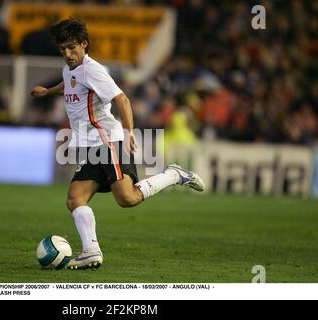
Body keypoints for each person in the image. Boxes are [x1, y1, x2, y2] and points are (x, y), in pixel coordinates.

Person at [31, 18, 204, 270]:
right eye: (63, 49)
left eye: (71, 48)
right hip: (91, 147)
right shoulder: (70, 70)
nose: (67, 54)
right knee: (75, 198)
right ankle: (91, 251)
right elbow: (69, 86)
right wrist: (47, 92)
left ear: (83, 44)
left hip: (108, 141)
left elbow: (121, 99)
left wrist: (130, 131)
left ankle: (174, 175)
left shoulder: (93, 70)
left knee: (127, 198)